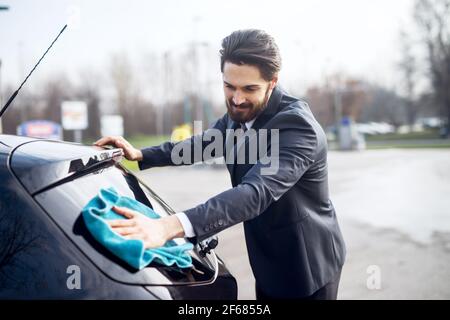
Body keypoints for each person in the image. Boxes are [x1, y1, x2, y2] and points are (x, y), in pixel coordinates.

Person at [94, 29, 346, 300]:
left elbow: (255, 193)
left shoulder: (297, 127)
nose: (237, 99)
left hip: (306, 264)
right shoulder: (240, 112)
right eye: (229, 86)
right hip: (267, 260)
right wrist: (142, 154)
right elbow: (205, 143)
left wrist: (166, 227)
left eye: (249, 89)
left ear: (272, 82)